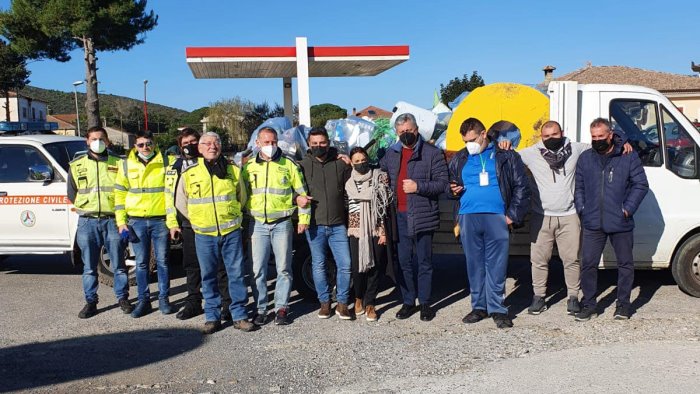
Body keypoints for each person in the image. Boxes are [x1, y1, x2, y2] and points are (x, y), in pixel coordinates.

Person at [168, 132, 256, 333]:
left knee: (236, 275)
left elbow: (241, 197)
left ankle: (240, 315)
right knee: (208, 276)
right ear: (199, 149)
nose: (212, 146)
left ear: (220, 146)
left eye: (215, 143)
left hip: (230, 231)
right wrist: (198, 219)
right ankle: (212, 317)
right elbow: (181, 202)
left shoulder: (232, 171)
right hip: (204, 234)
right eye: (206, 143)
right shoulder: (189, 173)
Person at [449, 118, 530, 329]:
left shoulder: (506, 155)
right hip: (468, 216)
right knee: (474, 265)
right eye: (465, 140)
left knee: (496, 264)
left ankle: (498, 309)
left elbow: (522, 186)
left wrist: (512, 215)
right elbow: (449, 183)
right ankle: (479, 307)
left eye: (473, 139)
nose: (469, 144)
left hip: (496, 216)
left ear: (484, 134)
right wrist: (451, 189)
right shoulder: (460, 157)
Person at [574, 118, 648, 321]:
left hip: (620, 222)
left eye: (600, 136)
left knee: (625, 265)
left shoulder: (627, 156)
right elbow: (578, 186)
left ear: (610, 134)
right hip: (592, 221)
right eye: (593, 136)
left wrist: (627, 209)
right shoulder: (586, 158)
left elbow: (640, 185)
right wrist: (582, 208)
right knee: (588, 264)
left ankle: (623, 305)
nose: (597, 140)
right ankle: (589, 304)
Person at [380, 113, 448, 321]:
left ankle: (426, 303)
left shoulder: (432, 153)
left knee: (424, 261)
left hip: (422, 214)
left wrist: (418, 186)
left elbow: (442, 184)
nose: (405, 135)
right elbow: (382, 171)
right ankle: (408, 301)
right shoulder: (391, 153)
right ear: (396, 133)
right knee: (403, 262)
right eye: (401, 132)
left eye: (409, 131)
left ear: (416, 129)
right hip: (398, 216)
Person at [242, 127, 310, 326]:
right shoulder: (248, 167)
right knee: (257, 270)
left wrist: (304, 219)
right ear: (257, 143)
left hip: (282, 223)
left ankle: (282, 307)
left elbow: (302, 194)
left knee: (284, 269)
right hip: (257, 224)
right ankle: (261, 309)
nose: (270, 146)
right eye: (266, 142)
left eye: (273, 142)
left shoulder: (288, 164)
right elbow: (241, 195)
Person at [164, 128, 232, 321]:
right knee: (192, 266)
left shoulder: (215, 162)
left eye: (194, 142)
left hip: (215, 224)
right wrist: (172, 223)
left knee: (219, 266)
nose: (190, 146)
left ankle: (225, 303)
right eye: (185, 144)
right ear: (180, 146)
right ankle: (193, 301)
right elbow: (170, 197)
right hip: (189, 225)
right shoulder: (175, 167)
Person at [68, 126, 132, 318]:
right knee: (89, 266)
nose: (98, 142)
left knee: (119, 264)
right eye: (94, 139)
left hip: (112, 220)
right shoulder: (76, 165)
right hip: (87, 222)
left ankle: (123, 298)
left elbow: (126, 191)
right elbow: (72, 194)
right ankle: (90, 302)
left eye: (102, 139)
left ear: (108, 141)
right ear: (87, 141)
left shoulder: (119, 163)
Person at [114, 130, 172, 318]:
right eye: (141, 144)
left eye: (149, 144)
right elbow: (120, 195)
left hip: (160, 220)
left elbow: (170, 194)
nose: (145, 147)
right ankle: (143, 300)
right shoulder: (126, 165)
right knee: (141, 264)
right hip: (136, 221)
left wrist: (172, 222)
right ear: (135, 146)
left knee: (162, 262)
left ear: (154, 144)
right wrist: (121, 221)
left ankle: (164, 299)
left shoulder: (165, 162)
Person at [299, 127, 353, 320]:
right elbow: (293, 190)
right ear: (308, 144)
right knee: (319, 265)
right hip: (315, 225)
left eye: (322, 143)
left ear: (328, 142)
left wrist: (352, 164)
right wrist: (297, 198)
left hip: (338, 224)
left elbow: (356, 182)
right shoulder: (302, 165)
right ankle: (324, 303)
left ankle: (343, 303)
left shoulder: (340, 164)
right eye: (314, 144)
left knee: (345, 264)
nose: (318, 147)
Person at [345, 146, 392, 321]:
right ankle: (358, 298)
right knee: (358, 268)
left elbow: (385, 205)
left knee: (376, 266)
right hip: (356, 229)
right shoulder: (348, 181)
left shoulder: (379, 176)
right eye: (356, 161)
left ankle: (370, 302)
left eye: (363, 159)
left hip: (376, 227)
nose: (361, 163)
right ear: (351, 162)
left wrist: (384, 232)